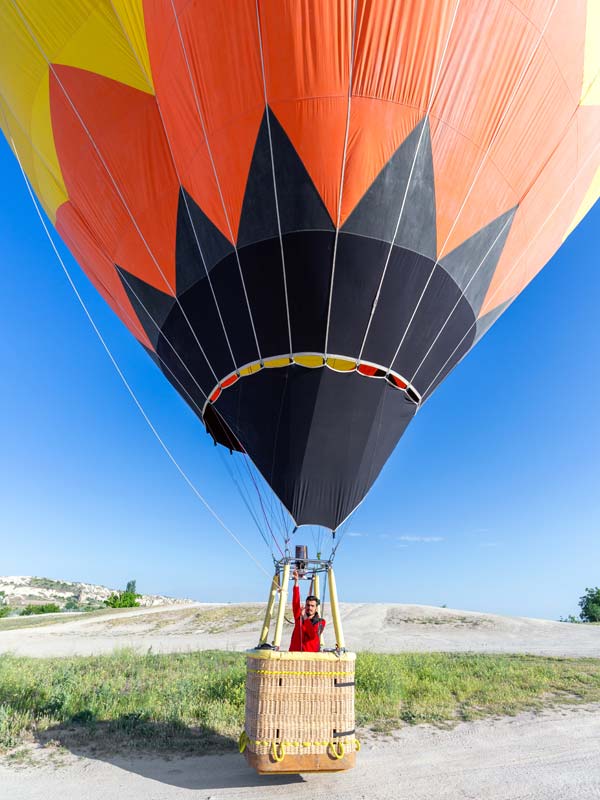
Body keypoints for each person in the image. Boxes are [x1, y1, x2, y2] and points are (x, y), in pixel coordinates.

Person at [289, 568, 326, 652]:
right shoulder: (299, 618)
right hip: (295, 655)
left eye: (312, 606)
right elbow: (295, 603)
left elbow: (312, 635)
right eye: (308, 605)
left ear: (316, 608)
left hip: (310, 659)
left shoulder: (320, 622)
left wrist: (305, 618)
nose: (309, 608)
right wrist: (296, 582)